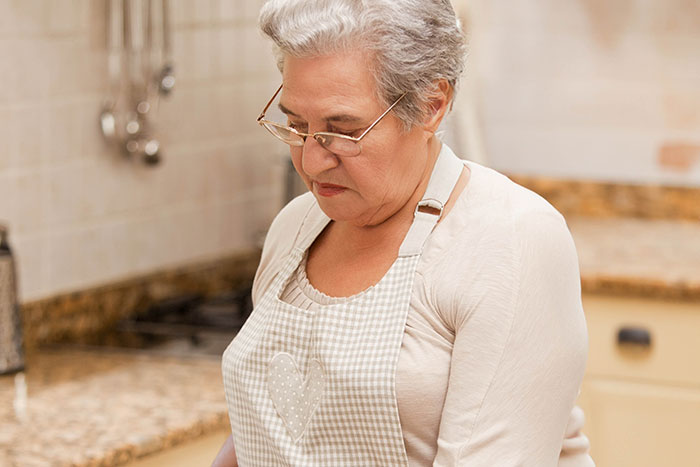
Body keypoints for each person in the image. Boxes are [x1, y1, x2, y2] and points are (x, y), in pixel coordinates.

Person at [214, 0, 594, 465]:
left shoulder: (511, 240)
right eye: (296, 125)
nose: (312, 162)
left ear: (432, 104)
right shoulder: (295, 227)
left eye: (344, 131)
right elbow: (269, 428)